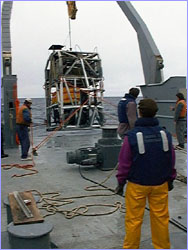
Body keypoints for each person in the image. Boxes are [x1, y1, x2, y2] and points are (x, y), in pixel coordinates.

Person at [115, 98, 176, 249]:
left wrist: (120, 183)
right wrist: (171, 178)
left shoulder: (132, 136)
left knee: (134, 220)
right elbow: (171, 159)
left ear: (139, 113)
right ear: (155, 112)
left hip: (137, 186)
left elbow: (124, 163)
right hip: (160, 184)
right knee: (161, 218)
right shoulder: (165, 134)